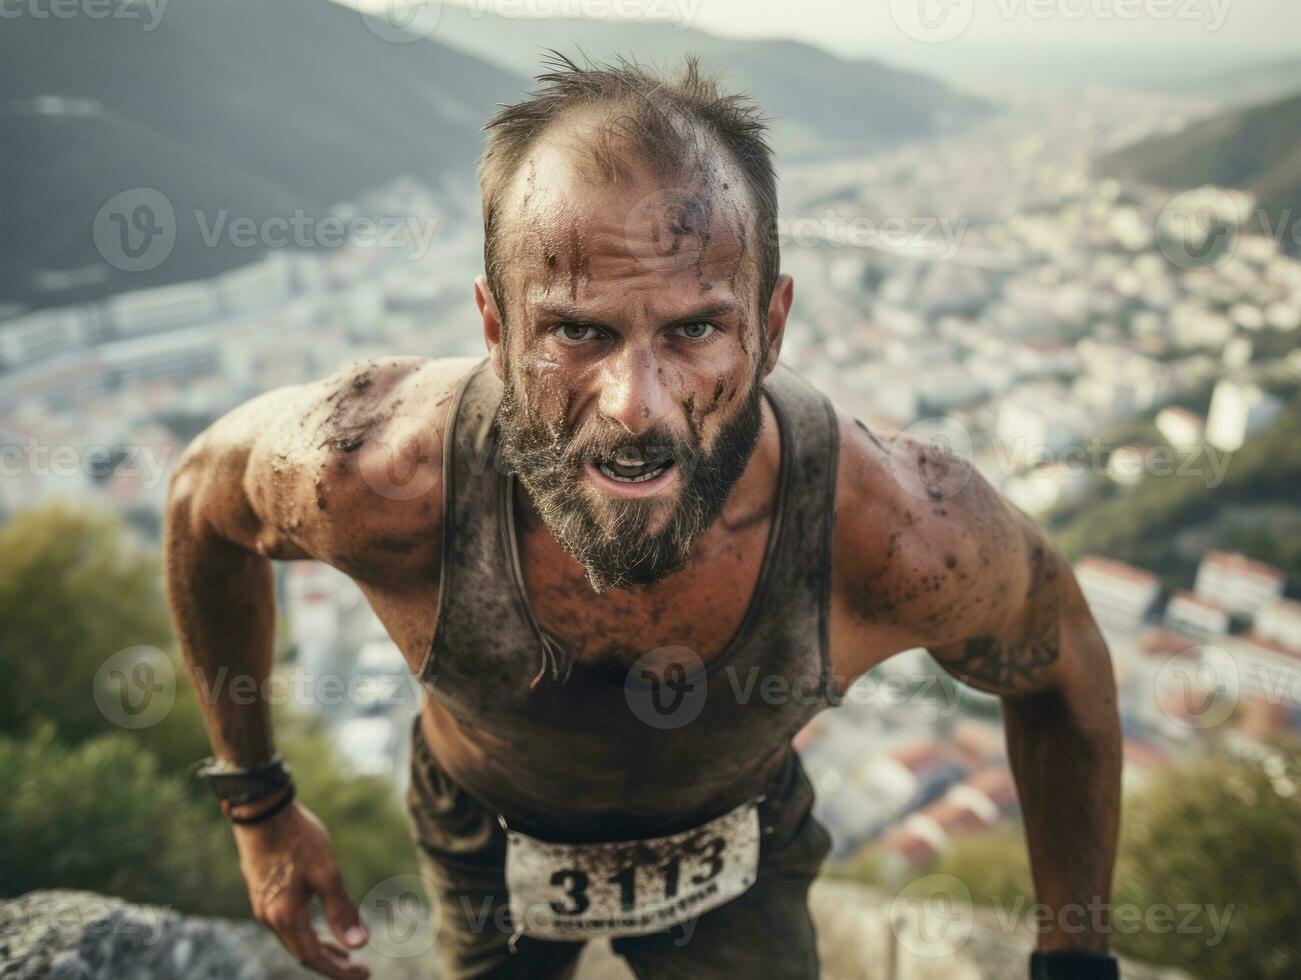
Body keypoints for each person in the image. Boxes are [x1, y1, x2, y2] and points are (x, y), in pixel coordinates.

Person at [164, 53, 1122, 980]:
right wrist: (258, 807)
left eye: (696, 328)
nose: (638, 404)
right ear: (497, 329)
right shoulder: (377, 472)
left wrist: (1072, 963)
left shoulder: (891, 529)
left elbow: (1064, 663)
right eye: (577, 330)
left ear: (771, 327)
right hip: (479, 830)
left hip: (738, 844)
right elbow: (200, 508)